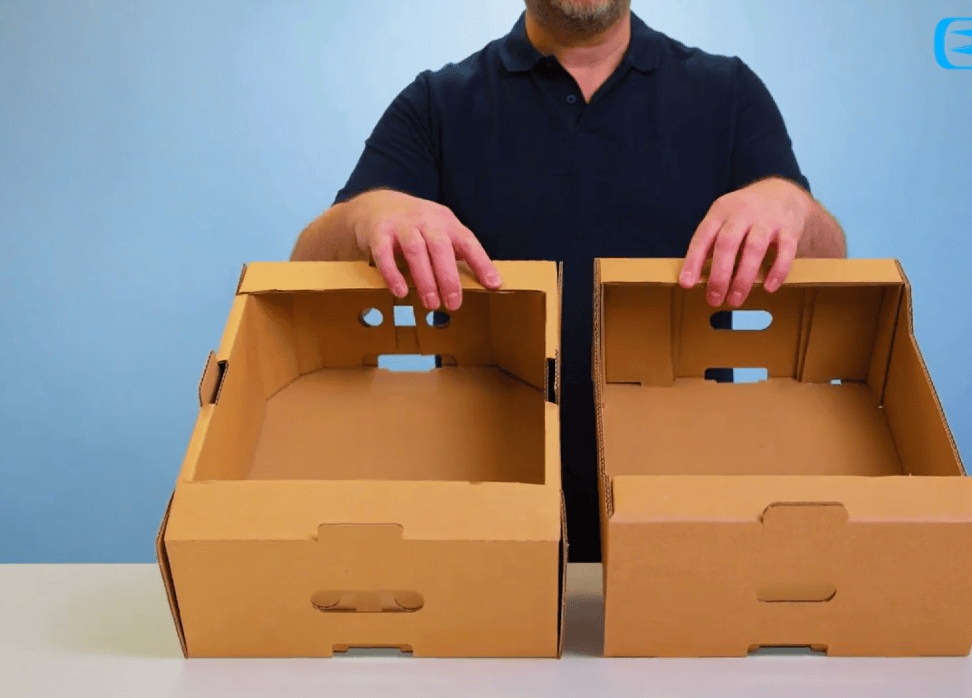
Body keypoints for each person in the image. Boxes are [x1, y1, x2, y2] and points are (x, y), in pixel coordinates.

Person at [291, 0, 847, 562]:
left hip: (687, 519)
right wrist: (369, 213)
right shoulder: (438, 102)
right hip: (490, 522)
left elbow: (830, 260)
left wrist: (790, 204)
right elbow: (306, 267)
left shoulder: (727, 91)